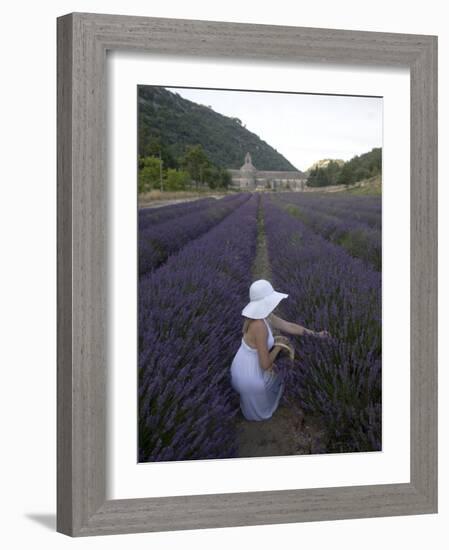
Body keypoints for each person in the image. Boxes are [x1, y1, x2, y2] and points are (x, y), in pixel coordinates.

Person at [230, 279, 329, 421]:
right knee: (275, 386)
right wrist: (278, 346)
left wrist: (316, 334)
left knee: (277, 375)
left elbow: (289, 326)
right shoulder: (259, 326)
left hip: (243, 365)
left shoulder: (263, 316)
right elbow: (265, 365)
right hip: (250, 376)